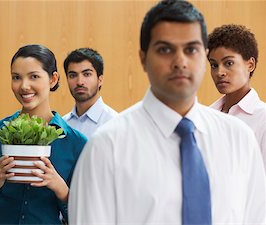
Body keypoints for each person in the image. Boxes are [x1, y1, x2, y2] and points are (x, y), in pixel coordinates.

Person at [69, 0, 266, 224]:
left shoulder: (239, 139)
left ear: (203, 56)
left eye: (191, 49)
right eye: (165, 49)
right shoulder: (106, 147)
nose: (180, 61)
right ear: (143, 59)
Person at [0, 44, 87, 225]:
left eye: (34, 77)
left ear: (53, 79)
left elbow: (87, 217)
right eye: (16, 77)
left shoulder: (76, 143)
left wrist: (61, 188)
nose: (24, 86)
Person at [207, 24, 266, 167]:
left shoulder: (263, 118)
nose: (219, 72)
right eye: (214, 65)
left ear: (250, 65)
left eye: (228, 63)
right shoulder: (207, 116)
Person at [62, 48, 118, 138]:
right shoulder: (63, 125)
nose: (80, 82)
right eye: (73, 75)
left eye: (87, 74)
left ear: (100, 80)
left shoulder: (114, 123)